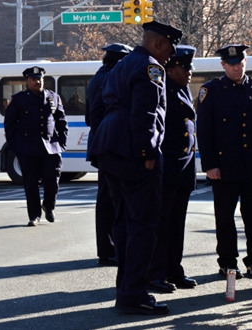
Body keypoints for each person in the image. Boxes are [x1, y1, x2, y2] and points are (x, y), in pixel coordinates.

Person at [89, 21, 182, 315]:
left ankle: (126, 291)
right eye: (169, 46)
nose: (171, 53)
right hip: (133, 153)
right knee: (142, 225)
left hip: (110, 148)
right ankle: (134, 294)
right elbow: (146, 112)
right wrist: (148, 152)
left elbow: (101, 107)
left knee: (123, 224)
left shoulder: (122, 65)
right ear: (157, 44)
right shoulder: (151, 67)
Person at [196, 44, 252, 279]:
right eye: (231, 64)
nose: (236, 68)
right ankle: (228, 262)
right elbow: (204, 131)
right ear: (223, 66)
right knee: (225, 218)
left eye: (240, 63)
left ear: (245, 62)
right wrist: (209, 165)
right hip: (224, 167)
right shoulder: (211, 90)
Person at [148, 45, 198, 293]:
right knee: (162, 223)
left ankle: (173, 269)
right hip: (167, 167)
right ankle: (156, 273)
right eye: (185, 66)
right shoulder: (162, 88)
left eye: (191, 66)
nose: (190, 71)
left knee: (176, 224)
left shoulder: (182, 88)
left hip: (183, 168)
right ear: (170, 67)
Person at [85, 43, 133, 267]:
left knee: (107, 198)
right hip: (109, 146)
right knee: (109, 200)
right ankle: (108, 249)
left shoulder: (99, 77)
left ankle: (107, 248)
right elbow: (95, 115)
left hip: (103, 145)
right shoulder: (108, 79)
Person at [4, 66, 68, 226]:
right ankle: (34, 215)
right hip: (27, 148)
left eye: (39, 78)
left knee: (53, 179)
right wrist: (15, 145)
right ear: (27, 80)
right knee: (31, 183)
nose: (37, 81)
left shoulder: (53, 97)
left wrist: (62, 142)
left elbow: (61, 120)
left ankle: (49, 206)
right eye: (33, 79)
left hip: (51, 146)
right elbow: (9, 124)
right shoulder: (19, 99)